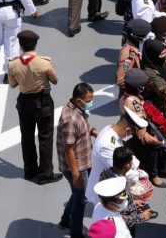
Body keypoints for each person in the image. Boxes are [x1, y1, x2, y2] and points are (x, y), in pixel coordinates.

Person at [7, 29, 63, 184]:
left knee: (26, 137)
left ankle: (29, 170)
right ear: (35, 44)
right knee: (45, 137)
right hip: (43, 101)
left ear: (20, 45)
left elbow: (12, 84)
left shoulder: (13, 64)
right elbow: (55, 80)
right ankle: (45, 174)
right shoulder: (45, 62)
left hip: (24, 102)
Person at [57, 82, 99, 238]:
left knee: (77, 194)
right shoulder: (70, 118)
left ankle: (65, 221)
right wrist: (75, 174)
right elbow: (68, 148)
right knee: (81, 200)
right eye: (88, 100)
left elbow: (78, 133)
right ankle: (76, 233)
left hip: (84, 161)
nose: (90, 103)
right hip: (77, 167)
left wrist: (91, 131)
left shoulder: (78, 110)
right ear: (78, 99)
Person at [122, 68, 166, 188]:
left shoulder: (129, 96)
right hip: (135, 136)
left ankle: (158, 168)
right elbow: (141, 131)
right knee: (153, 148)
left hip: (139, 129)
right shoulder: (133, 103)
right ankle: (153, 175)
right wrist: (156, 140)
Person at [95, 143, 154, 231]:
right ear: (127, 165)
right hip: (124, 228)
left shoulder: (105, 173)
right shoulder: (118, 186)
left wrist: (133, 202)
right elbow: (117, 216)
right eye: (131, 161)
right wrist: (142, 217)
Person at [116, 18, 149, 92]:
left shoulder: (135, 47)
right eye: (143, 36)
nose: (145, 37)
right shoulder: (129, 55)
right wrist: (137, 88)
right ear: (135, 37)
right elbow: (121, 80)